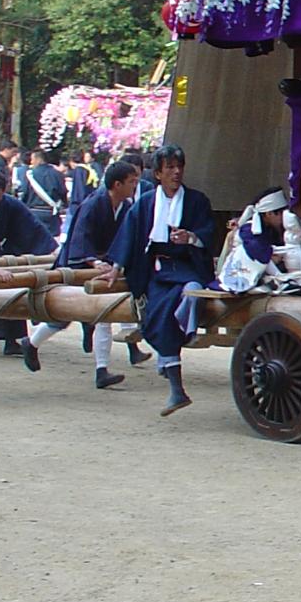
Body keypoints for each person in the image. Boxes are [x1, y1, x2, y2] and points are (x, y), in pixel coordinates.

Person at [102, 144, 215, 416]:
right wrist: (116, 267)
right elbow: (129, 236)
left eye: (179, 167)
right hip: (157, 269)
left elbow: (208, 231)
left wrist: (190, 237)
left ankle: (184, 328)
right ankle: (177, 389)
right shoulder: (146, 202)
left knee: (193, 291)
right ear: (158, 173)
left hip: (187, 264)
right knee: (159, 317)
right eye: (170, 168)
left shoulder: (197, 200)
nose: (176, 173)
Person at [26, 159, 143, 388]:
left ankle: (101, 370)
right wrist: (94, 262)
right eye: (131, 181)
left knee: (103, 317)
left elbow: (127, 239)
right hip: (79, 264)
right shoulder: (93, 204)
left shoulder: (126, 207)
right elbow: (80, 238)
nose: (134, 185)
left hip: (105, 265)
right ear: (117, 184)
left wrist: (117, 262)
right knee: (63, 317)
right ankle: (30, 343)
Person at [0, 171, 58, 357]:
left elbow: (32, 226)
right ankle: (9, 337)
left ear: (4, 192)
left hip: (0, 252)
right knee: (0, 276)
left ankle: (13, 340)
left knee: (16, 281)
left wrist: (53, 248)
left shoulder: (10, 204)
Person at [19, 149, 70, 239]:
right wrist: (64, 205)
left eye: (32, 159)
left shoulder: (30, 175)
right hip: (51, 212)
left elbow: (25, 193)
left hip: (34, 211)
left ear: (38, 159)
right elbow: (63, 192)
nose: (31, 162)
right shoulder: (57, 174)